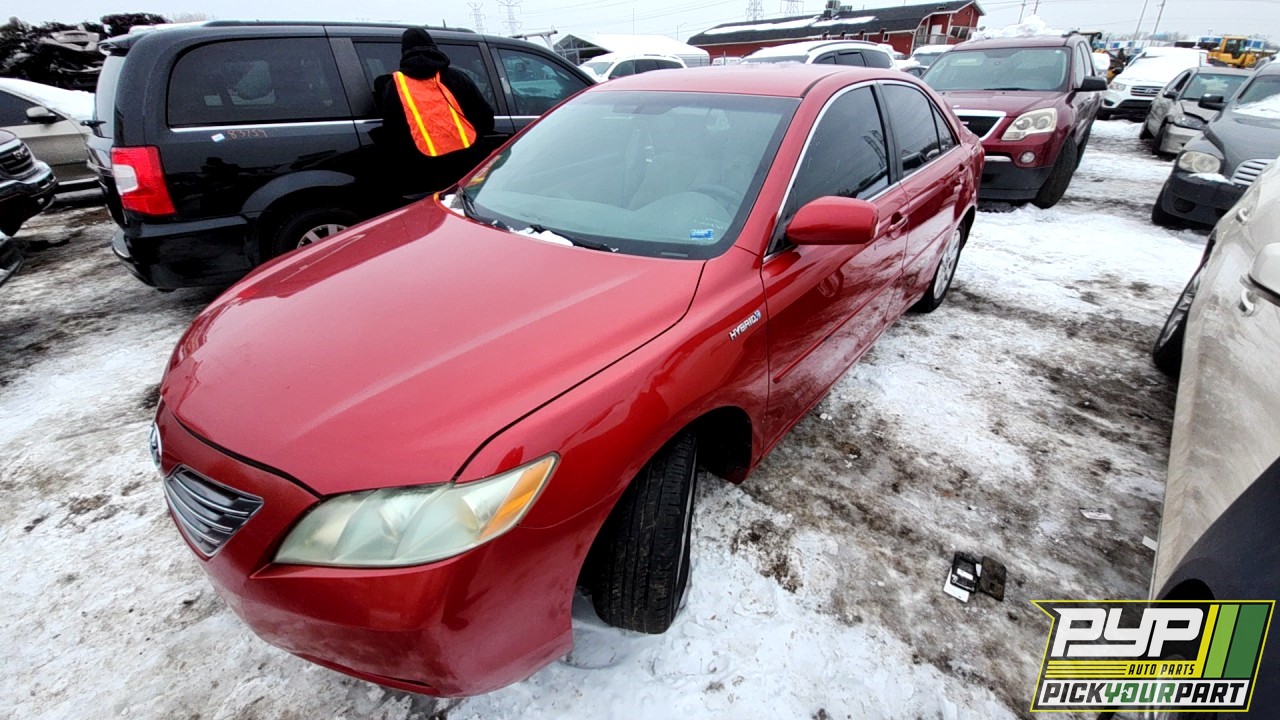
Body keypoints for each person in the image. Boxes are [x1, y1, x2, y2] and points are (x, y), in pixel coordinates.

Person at [373, 28, 495, 200]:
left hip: (422, 177)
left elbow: (393, 134)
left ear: (403, 52)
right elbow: (486, 119)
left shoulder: (394, 86)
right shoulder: (457, 78)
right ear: (433, 46)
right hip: (467, 169)